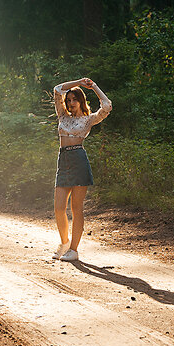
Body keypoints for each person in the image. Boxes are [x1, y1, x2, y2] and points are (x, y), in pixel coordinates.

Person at [51, 77, 111, 262]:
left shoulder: (88, 120)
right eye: (68, 100)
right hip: (63, 160)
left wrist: (93, 86)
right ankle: (64, 243)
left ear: (81, 101)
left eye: (74, 99)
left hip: (79, 159)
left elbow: (107, 106)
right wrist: (77, 82)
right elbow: (57, 89)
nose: (70, 103)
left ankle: (74, 250)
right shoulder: (62, 115)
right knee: (59, 208)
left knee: (76, 208)